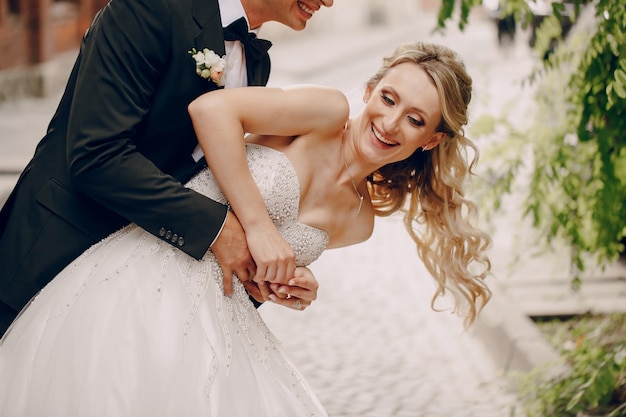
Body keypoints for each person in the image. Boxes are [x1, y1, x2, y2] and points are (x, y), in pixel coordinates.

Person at [0, 41, 492, 416]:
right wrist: (257, 226)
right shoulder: (325, 113)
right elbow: (211, 111)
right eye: (387, 98)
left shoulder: (360, 222)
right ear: (369, 91)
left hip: (219, 325)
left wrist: (286, 284)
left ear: (431, 140)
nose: (389, 123)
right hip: (143, 276)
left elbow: (252, 270)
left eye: (414, 119)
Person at [0, 0, 335, 336]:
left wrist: (272, 274)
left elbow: (208, 181)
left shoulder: (257, 62)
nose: (330, 1)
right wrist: (218, 229)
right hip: (55, 255)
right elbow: (98, 156)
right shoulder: (148, 8)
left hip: (133, 294)